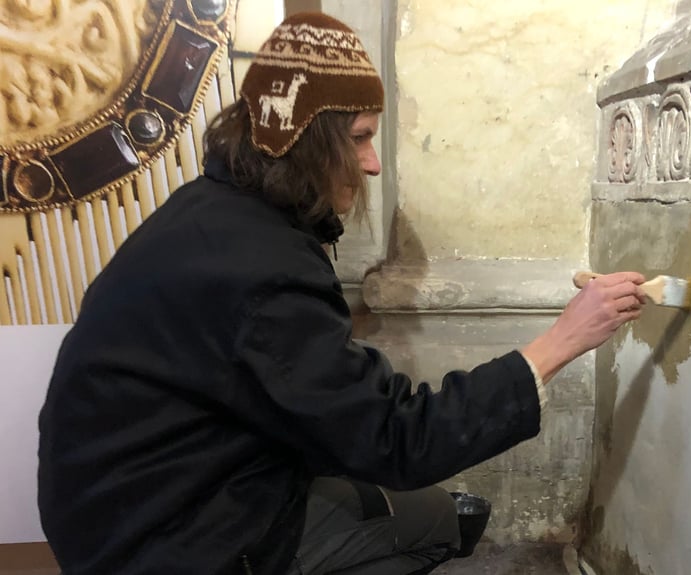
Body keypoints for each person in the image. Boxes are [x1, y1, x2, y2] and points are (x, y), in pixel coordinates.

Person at [36, 12, 646, 575]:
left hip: (119, 505)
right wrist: (562, 341)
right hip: (162, 540)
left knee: (421, 503)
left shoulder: (218, 214)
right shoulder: (262, 267)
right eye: (358, 137)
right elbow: (398, 440)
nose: (373, 163)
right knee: (438, 522)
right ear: (306, 139)